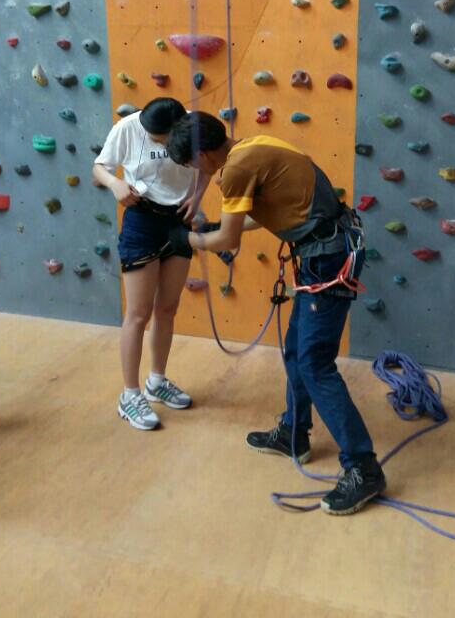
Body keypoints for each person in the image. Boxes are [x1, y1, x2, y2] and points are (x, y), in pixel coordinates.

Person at [165, 112, 386, 515]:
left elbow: (228, 239)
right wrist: (212, 226)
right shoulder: (253, 145)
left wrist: (189, 240)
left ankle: (363, 467)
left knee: (315, 363)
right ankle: (293, 432)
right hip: (325, 248)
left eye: (192, 164)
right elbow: (261, 214)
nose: (196, 171)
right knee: (296, 351)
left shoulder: (234, 171)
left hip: (325, 258)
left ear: (202, 154)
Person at [92, 98, 209, 431]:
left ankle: (156, 381)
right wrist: (115, 183)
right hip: (142, 221)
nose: (158, 143)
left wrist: (197, 196)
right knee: (138, 313)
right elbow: (98, 169)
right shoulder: (128, 127)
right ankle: (129, 395)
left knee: (167, 308)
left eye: (162, 139)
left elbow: (210, 164)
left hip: (179, 220)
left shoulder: (191, 126)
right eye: (154, 138)